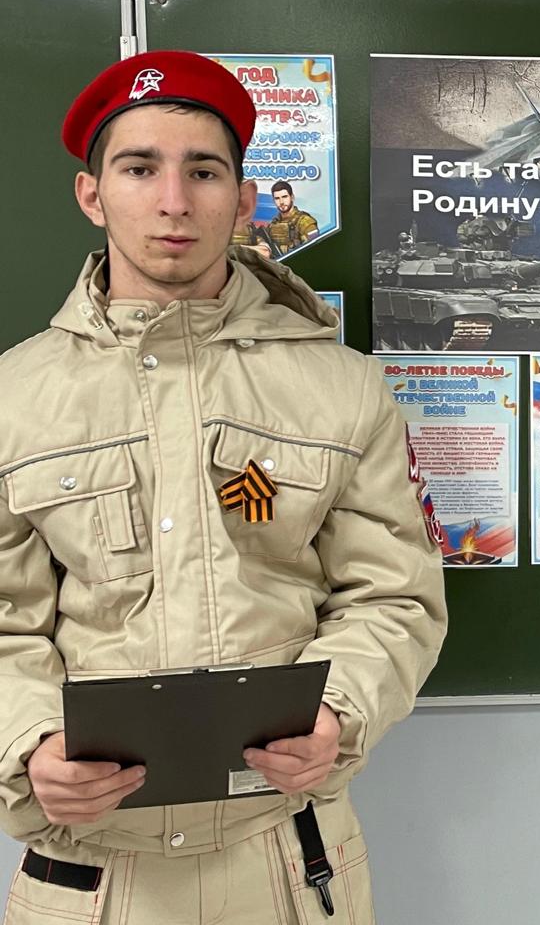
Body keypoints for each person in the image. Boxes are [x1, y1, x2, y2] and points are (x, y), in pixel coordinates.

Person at [0, 51, 447, 923]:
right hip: (91, 875)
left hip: (290, 861)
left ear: (243, 201)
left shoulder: (343, 387)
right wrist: (27, 741)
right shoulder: (15, 397)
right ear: (92, 195)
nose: (174, 200)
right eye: (139, 168)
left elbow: (395, 596)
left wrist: (337, 715)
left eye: (203, 172)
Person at [266, 179, 320, 254]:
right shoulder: (273, 224)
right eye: (277, 198)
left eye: (284, 197)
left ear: (292, 197)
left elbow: (315, 247)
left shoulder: (305, 221)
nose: (281, 202)